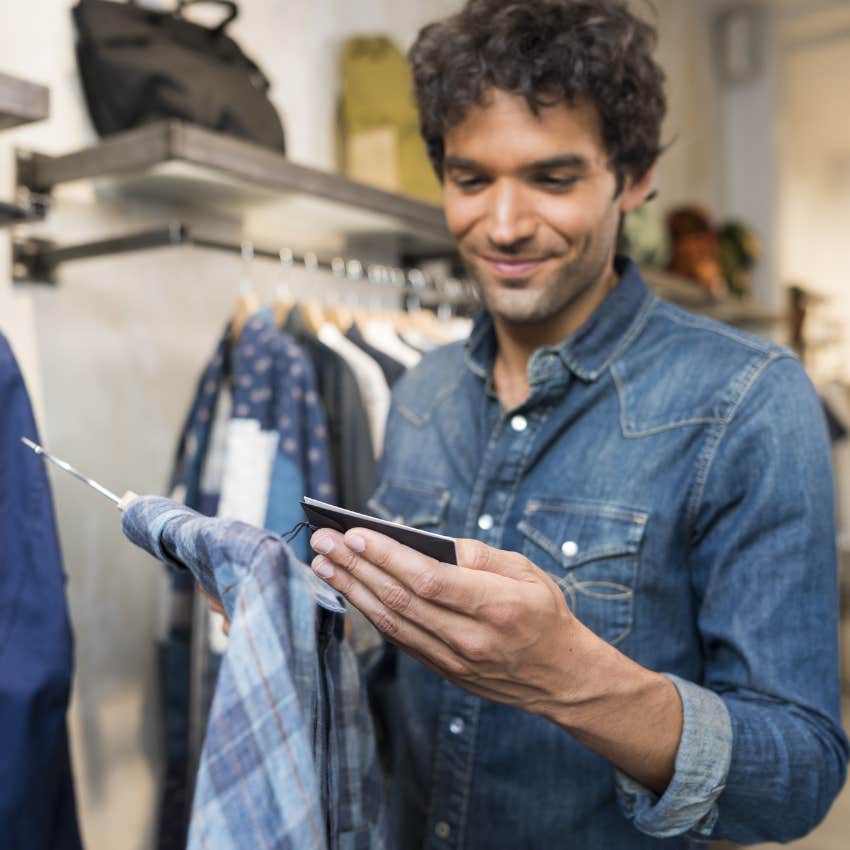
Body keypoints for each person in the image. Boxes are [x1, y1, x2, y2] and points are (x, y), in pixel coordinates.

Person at [303, 1, 849, 848]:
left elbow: (800, 777)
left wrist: (569, 677)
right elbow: (394, 682)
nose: (506, 225)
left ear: (631, 179)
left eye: (553, 179)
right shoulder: (420, 391)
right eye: (470, 179)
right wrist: (312, 611)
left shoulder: (751, 402)